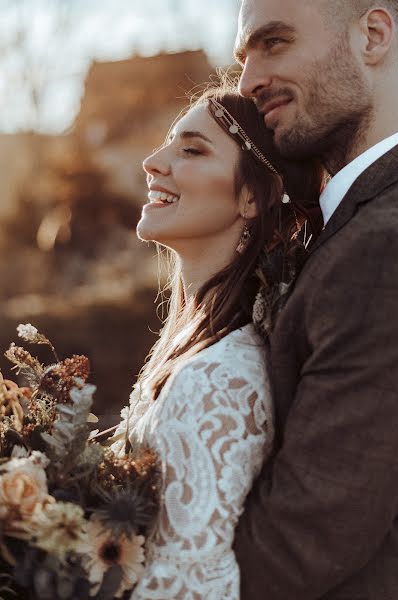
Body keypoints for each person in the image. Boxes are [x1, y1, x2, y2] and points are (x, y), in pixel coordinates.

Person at [111, 84, 322, 599]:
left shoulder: (218, 380)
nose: (152, 162)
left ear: (253, 196)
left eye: (192, 149)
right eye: (167, 144)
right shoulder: (198, 350)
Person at [233, 1, 398, 598]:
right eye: (243, 57)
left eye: (273, 43)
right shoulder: (346, 230)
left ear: (373, 36)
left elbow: (302, 541)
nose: (248, 80)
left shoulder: (382, 247)